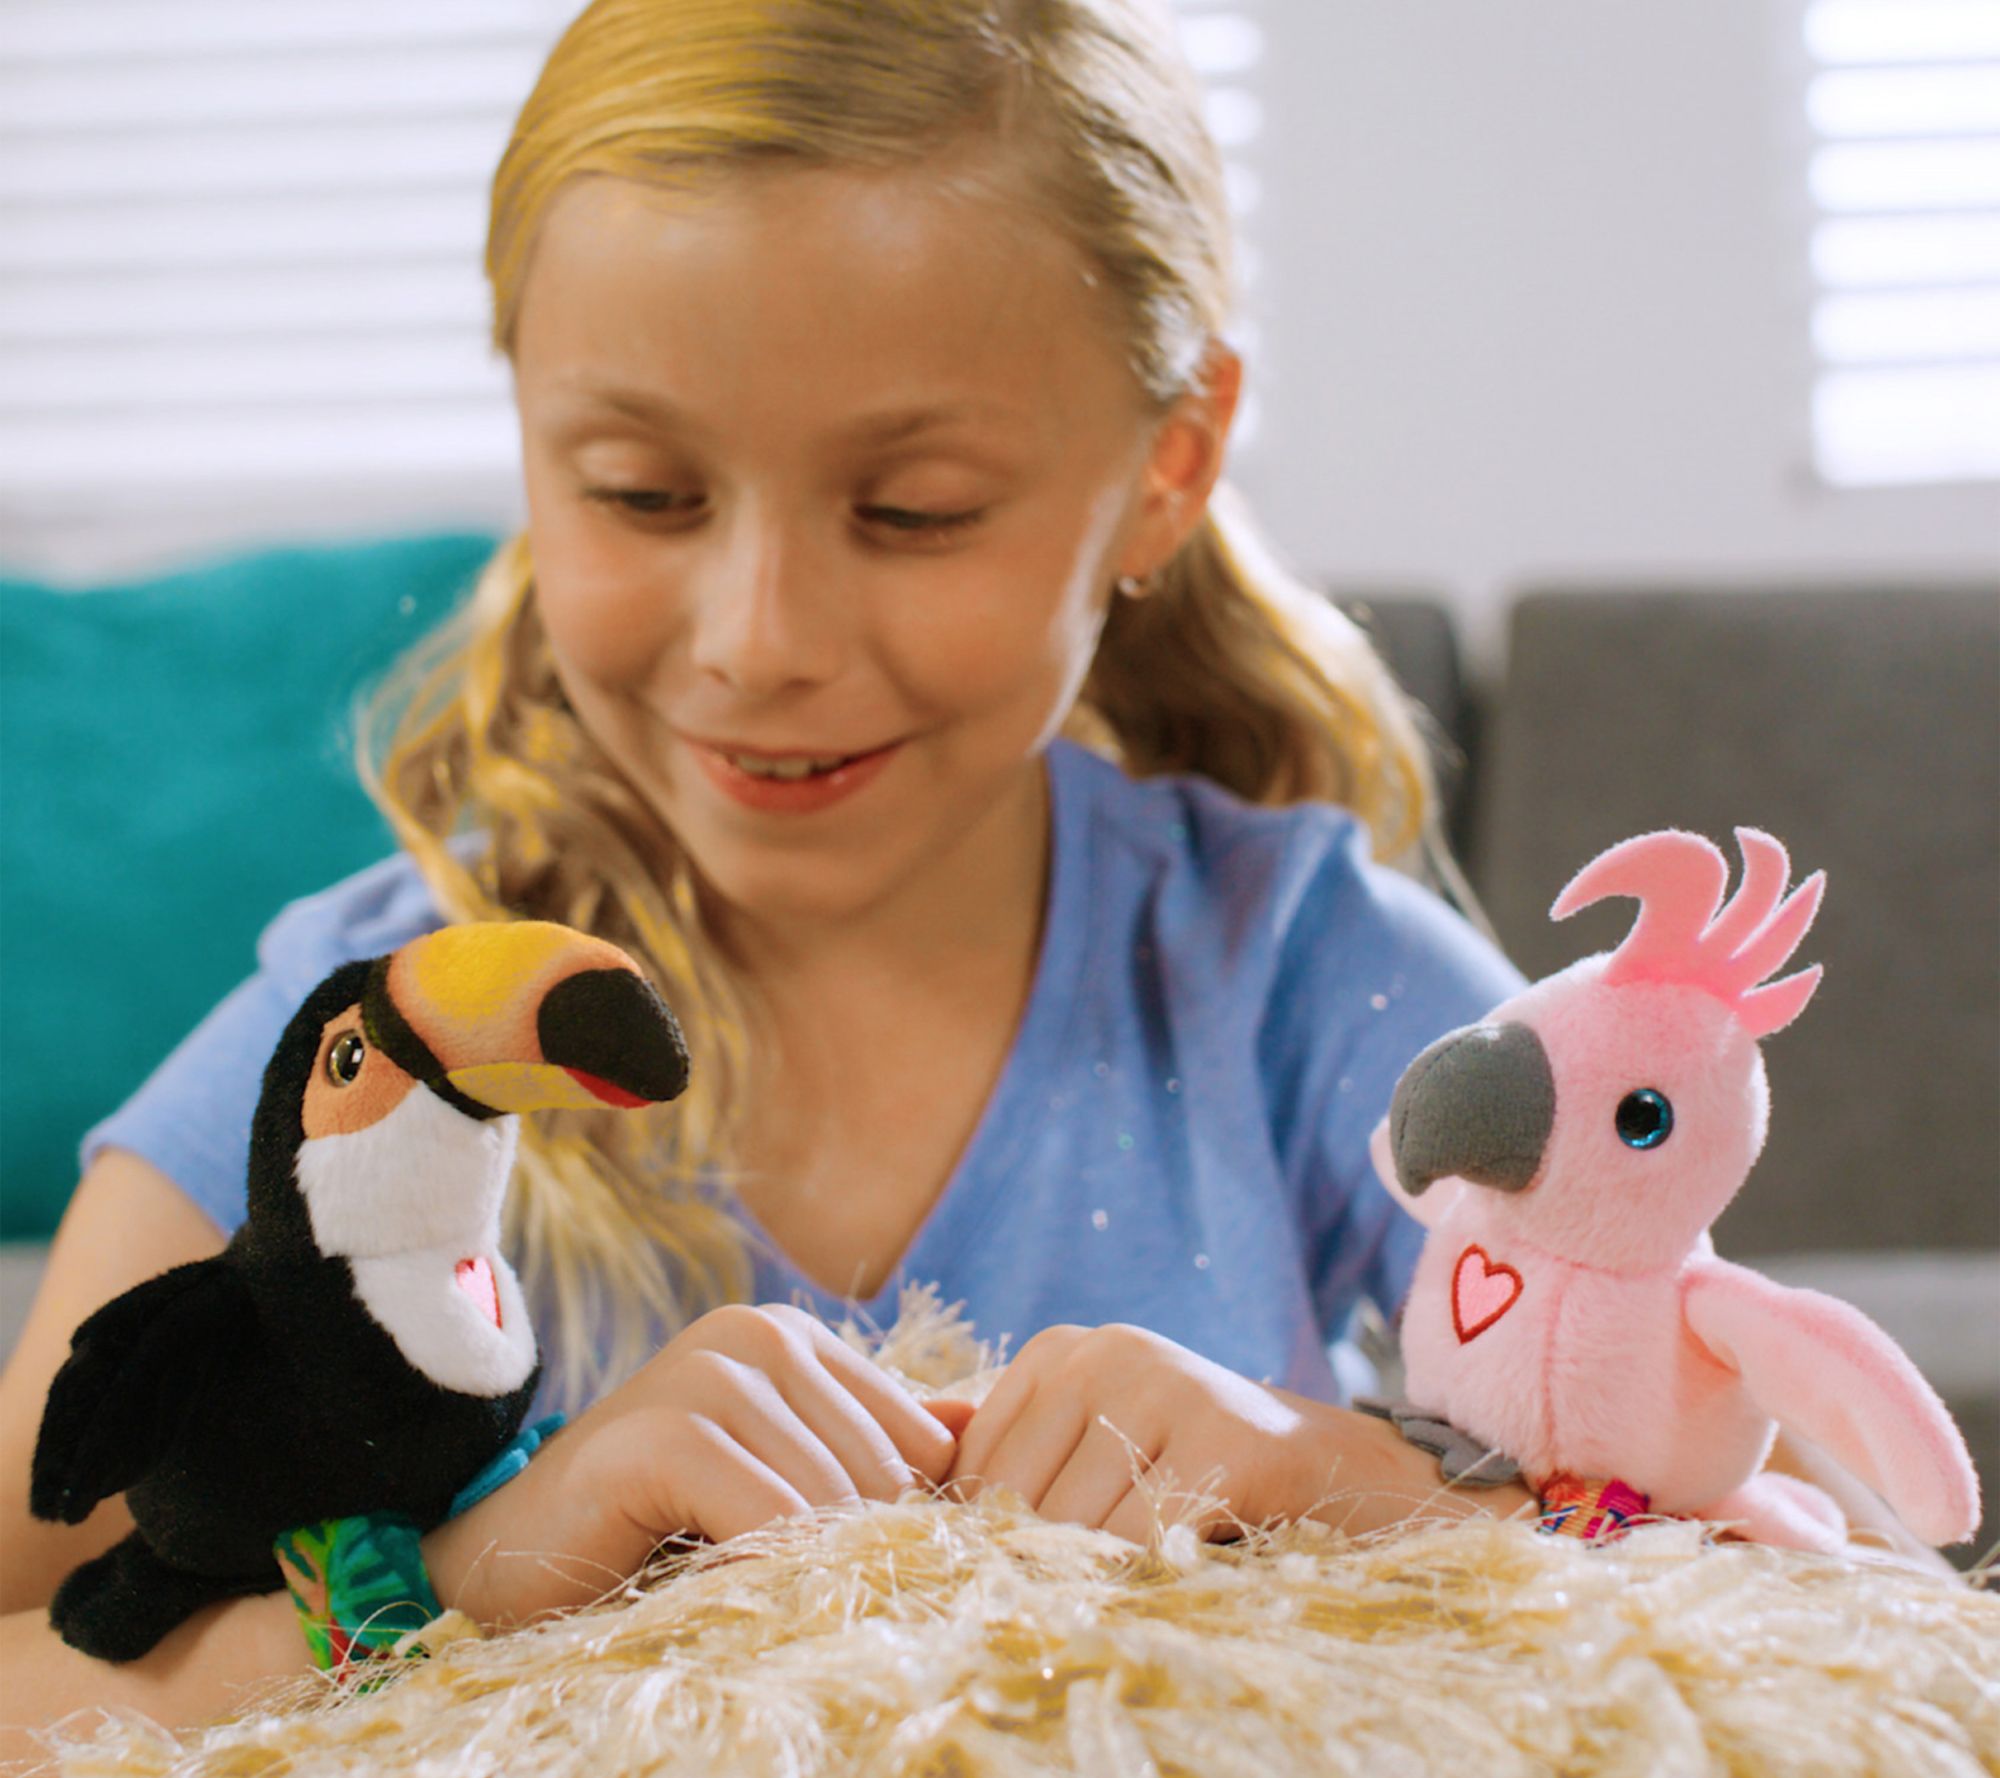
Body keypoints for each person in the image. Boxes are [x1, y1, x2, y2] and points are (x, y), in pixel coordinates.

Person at [0, 0, 1938, 1756]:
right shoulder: (372, 1052)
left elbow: (1836, 1606)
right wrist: (487, 1577)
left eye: (911, 511)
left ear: (1167, 467)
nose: (760, 638)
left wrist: (1331, 1473)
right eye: (643, 493)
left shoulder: (1291, 975)